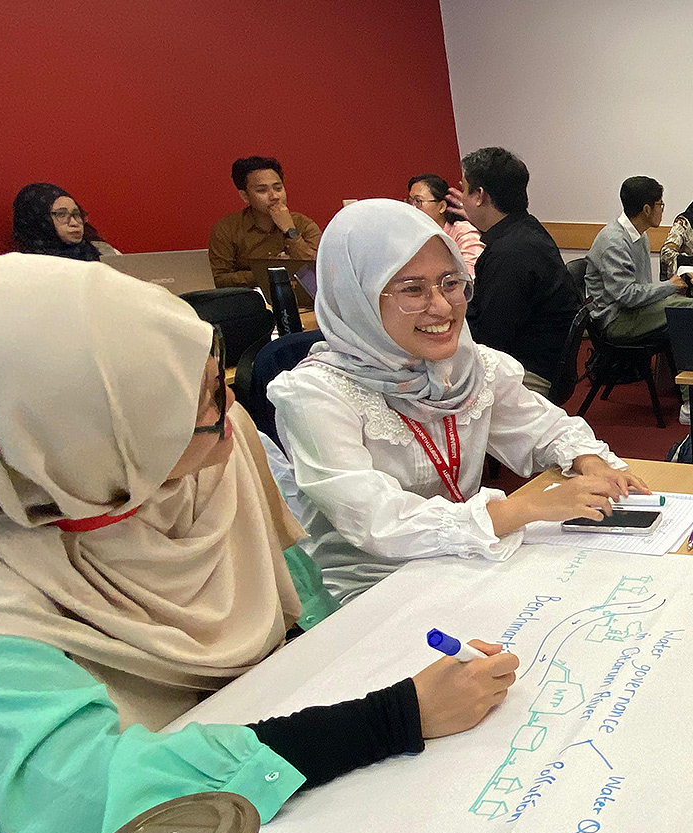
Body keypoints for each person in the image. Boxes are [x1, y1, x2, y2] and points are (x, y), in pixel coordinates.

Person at [0, 254, 521, 833]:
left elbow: (298, 602)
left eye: (216, 380)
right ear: (68, 445)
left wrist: (374, 666)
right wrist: (390, 717)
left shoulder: (210, 445)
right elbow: (70, 801)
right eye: (188, 414)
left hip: (280, 755)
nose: (228, 409)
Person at [269, 200, 645, 604]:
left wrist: (590, 462)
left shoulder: (468, 366)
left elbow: (544, 428)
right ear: (355, 297)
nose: (444, 307)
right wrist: (520, 509)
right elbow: (376, 522)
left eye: (451, 282)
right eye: (412, 289)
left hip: (467, 561)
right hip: (376, 590)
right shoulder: (315, 395)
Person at [456, 147, 579, 396]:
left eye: (463, 189)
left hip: (531, 371)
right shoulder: (526, 230)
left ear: (480, 195)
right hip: (543, 360)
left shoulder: (510, 253)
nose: (461, 199)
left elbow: (490, 339)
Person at [584, 176, 693, 342]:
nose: (662, 209)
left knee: (681, 303)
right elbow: (627, 296)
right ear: (647, 209)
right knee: (687, 307)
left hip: (630, 311)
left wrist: (668, 290)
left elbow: (640, 286)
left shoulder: (638, 234)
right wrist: (669, 286)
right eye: (660, 204)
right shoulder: (614, 242)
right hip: (615, 319)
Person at [209, 156, 322, 288]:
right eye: (262, 190)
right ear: (245, 196)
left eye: (278, 188)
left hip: (301, 301)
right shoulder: (227, 228)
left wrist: (290, 230)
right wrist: (267, 271)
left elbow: (318, 271)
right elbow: (219, 279)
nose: (274, 196)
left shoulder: (302, 223)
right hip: (249, 301)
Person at [11, 183, 117, 260]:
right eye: (61, 214)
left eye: (77, 214)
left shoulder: (103, 252)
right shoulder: (23, 266)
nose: (74, 223)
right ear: (39, 220)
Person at [408, 174, 483, 272]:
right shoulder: (410, 237)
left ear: (442, 207)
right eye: (410, 201)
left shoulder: (462, 231)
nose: (412, 208)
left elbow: (471, 273)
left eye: (418, 201)